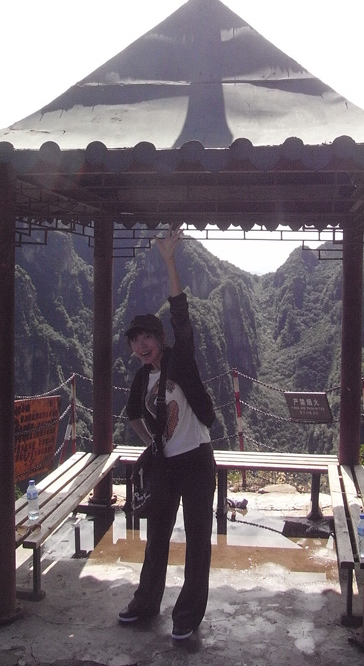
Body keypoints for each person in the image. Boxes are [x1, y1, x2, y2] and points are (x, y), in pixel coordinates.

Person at [118, 226, 216, 641]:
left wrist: (169, 261)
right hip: (166, 466)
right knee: (157, 535)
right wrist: (153, 445)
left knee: (197, 539)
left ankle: (187, 615)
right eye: (135, 340)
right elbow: (132, 415)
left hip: (196, 460)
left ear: (160, 339)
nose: (142, 345)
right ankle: (146, 602)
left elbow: (181, 315)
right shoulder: (141, 379)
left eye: (147, 338)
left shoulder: (180, 361)